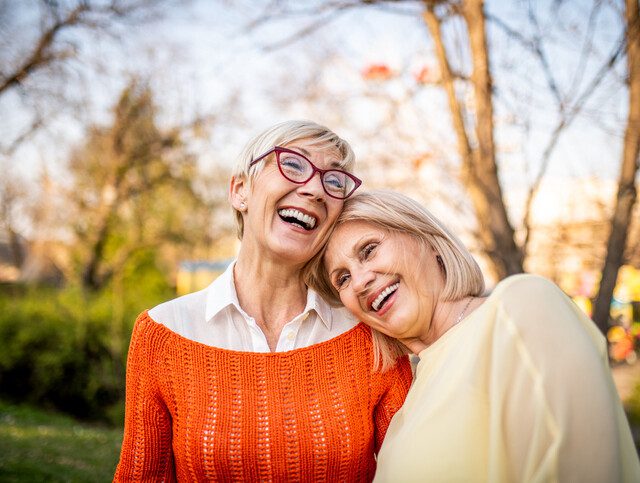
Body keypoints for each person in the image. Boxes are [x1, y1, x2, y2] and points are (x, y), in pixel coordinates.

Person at [114, 122, 412, 481]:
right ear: (240, 191)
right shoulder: (163, 333)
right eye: (294, 164)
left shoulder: (369, 334)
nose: (316, 189)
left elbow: (412, 468)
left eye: (334, 182)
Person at [308, 189, 640, 482]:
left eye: (368, 250)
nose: (360, 280)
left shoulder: (518, 307)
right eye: (342, 279)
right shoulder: (405, 402)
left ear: (427, 239)